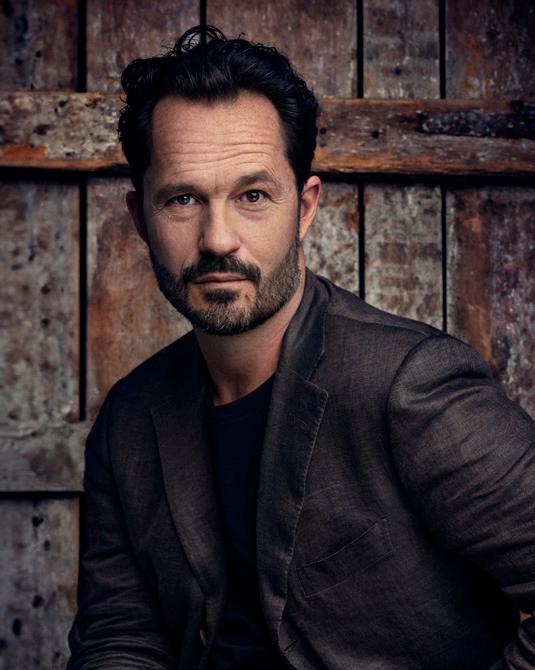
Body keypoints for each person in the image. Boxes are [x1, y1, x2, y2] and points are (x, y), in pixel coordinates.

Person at [67, 25, 535, 670]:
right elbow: (120, 637)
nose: (217, 239)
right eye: (183, 198)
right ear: (140, 218)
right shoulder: (129, 419)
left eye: (253, 196)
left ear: (306, 208)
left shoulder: (410, 384)